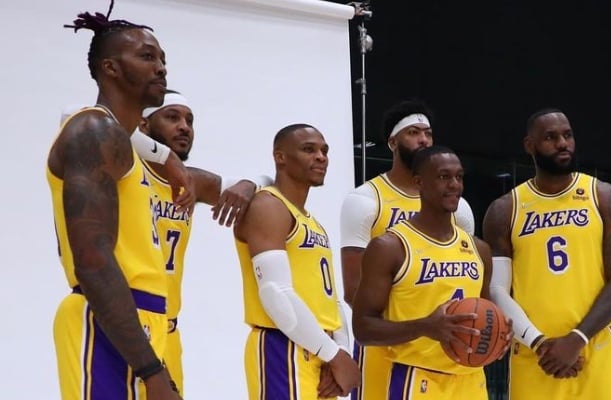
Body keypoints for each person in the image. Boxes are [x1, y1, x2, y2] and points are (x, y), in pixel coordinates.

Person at [48, 3, 185, 399]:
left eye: (162, 59)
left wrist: (167, 157)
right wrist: (150, 370)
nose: (160, 67)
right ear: (110, 68)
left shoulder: (124, 143)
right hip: (108, 319)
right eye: (146, 56)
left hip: (141, 322)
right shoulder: (93, 131)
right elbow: (93, 262)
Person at [482, 108, 611, 399]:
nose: (562, 143)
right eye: (551, 138)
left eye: (567, 135)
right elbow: (497, 290)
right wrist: (540, 343)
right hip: (534, 354)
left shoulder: (605, 197)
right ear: (529, 145)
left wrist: (576, 339)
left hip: (595, 345)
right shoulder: (505, 209)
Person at [139, 89, 272, 396]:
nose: (184, 126)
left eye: (189, 120)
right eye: (172, 117)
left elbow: (270, 181)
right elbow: (77, 113)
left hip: (167, 328)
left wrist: (247, 183)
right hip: (127, 320)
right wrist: (163, 156)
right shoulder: (124, 166)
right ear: (143, 126)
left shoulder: (192, 181)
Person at [339, 99, 475, 399]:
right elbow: (353, 290)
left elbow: (468, 276)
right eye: (414, 132)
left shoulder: (459, 207)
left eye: (428, 133)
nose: (424, 139)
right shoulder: (365, 200)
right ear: (392, 142)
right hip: (385, 348)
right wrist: (416, 330)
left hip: (448, 349)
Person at [352, 145, 510, 399]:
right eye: (443, 177)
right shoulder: (390, 247)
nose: (454, 185)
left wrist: (499, 331)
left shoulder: (479, 249)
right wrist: (426, 327)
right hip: (418, 378)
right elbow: (363, 328)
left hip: (471, 381)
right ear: (419, 183)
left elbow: (484, 311)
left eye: (458, 177)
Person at [233, 123, 361, 399]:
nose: (321, 156)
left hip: (318, 347)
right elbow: (275, 294)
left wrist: (341, 349)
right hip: (282, 347)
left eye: (324, 151)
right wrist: (334, 354)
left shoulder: (311, 221)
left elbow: (329, 297)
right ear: (280, 156)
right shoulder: (268, 206)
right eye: (308, 149)